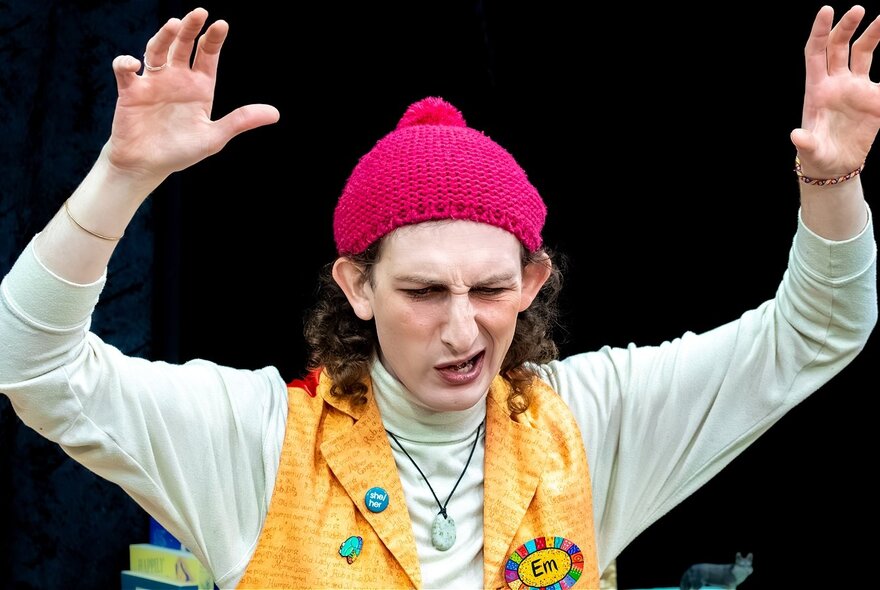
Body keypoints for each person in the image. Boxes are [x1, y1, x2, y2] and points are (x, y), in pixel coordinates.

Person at [0, 4, 877, 589]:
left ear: (532, 283)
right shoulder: (253, 436)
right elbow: (31, 364)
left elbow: (819, 329)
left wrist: (829, 175)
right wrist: (122, 176)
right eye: (423, 291)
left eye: (492, 289)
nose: (464, 329)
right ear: (357, 287)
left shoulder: (595, 419)